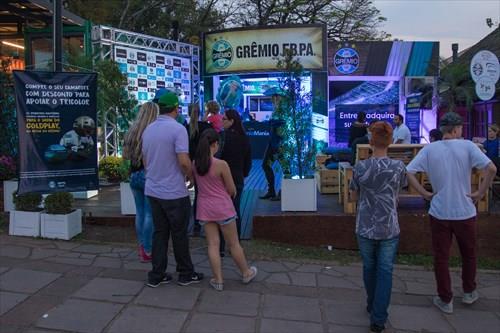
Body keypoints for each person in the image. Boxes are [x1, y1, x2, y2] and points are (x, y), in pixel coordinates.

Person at [406, 112, 497, 314]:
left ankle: (445, 299)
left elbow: (409, 172)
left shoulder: (430, 149)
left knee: (441, 257)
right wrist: (480, 192)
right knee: (469, 255)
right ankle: (469, 292)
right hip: (465, 211)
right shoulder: (467, 146)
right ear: (456, 129)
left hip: (439, 212)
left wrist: (425, 194)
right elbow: (491, 168)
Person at [142, 91, 204, 288]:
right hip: (174, 192)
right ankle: (185, 273)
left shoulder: (148, 129)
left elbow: (145, 161)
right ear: (176, 108)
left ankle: (156, 274)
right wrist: (191, 177)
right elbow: (184, 161)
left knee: (159, 233)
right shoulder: (178, 130)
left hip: (153, 190)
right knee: (179, 233)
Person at [349, 121, 407, 333]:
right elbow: (398, 192)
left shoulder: (360, 167)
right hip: (389, 227)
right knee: (385, 271)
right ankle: (378, 318)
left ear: (371, 141)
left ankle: (371, 303)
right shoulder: (399, 167)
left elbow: (353, 195)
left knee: (369, 268)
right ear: (390, 141)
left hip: (365, 225)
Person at [193, 129, 257, 291]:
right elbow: (231, 189)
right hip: (223, 208)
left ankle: (218, 280)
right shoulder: (221, 165)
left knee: (213, 245)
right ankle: (246, 272)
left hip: (205, 209)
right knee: (233, 244)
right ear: (215, 145)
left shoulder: (195, 164)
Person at [122, 102, 158, 263]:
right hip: (147, 174)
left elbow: (125, 156)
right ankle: (149, 250)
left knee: (140, 213)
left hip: (134, 174)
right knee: (150, 214)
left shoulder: (131, 131)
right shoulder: (151, 132)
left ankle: (142, 247)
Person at [220, 109, 252, 248]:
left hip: (222, 179)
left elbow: (218, 157)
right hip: (237, 177)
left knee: (221, 211)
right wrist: (243, 173)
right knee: (235, 210)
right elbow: (248, 160)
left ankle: (221, 245)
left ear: (232, 121)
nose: (222, 121)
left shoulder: (222, 137)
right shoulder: (244, 137)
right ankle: (236, 242)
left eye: (224, 119)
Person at [187, 103, 212, 235]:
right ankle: (209, 221)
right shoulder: (207, 127)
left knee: (198, 194)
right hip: (207, 164)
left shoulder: (185, 128)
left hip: (193, 164)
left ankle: (197, 224)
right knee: (208, 193)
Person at [260, 89, 285, 200]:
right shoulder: (276, 111)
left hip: (281, 145)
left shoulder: (285, 111)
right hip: (272, 143)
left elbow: (282, 123)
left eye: (276, 98)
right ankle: (271, 191)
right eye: (273, 99)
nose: (274, 101)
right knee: (265, 165)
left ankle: (283, 192)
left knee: (286, 169)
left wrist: (270, 122)